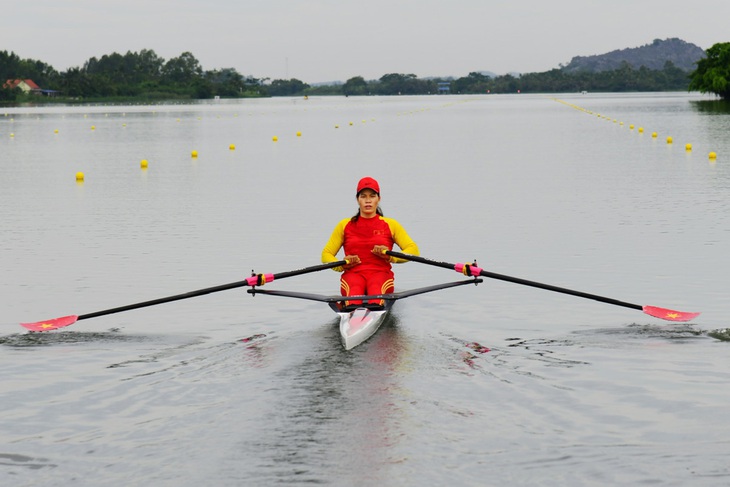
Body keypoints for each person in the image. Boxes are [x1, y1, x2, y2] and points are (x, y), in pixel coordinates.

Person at [321, 177, 419, 309]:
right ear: (358, 200)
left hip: (381, 275)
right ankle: (353, 312)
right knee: (354, 290)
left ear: (378, 199)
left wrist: (391, 256)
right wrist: (342, 265)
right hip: (353, 275)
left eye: (372, 196)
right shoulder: (344, 225)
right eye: (363, 196)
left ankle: (372, 308)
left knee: (376, 288)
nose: (368, 200)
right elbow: (326, 254)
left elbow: (413, 250)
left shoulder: (391, 224)